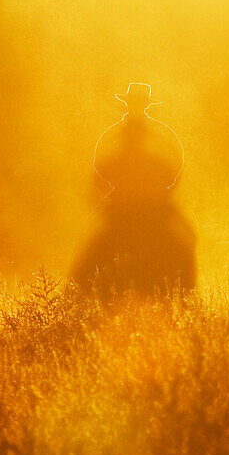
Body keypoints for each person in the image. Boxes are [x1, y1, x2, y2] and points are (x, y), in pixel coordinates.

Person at [72, 83, 195, 298]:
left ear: (142, 105)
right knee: (187, 242)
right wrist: (164, 192)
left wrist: (114, 194)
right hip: (148, 208)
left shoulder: (115, 136)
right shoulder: (161, 136)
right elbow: (177, 167)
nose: (137, 107)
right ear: (132, 104)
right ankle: (186, 298)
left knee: (89, 258)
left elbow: (98, 173)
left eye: (139, 103)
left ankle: (80, 300)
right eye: (135, 103)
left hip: (129, 208)